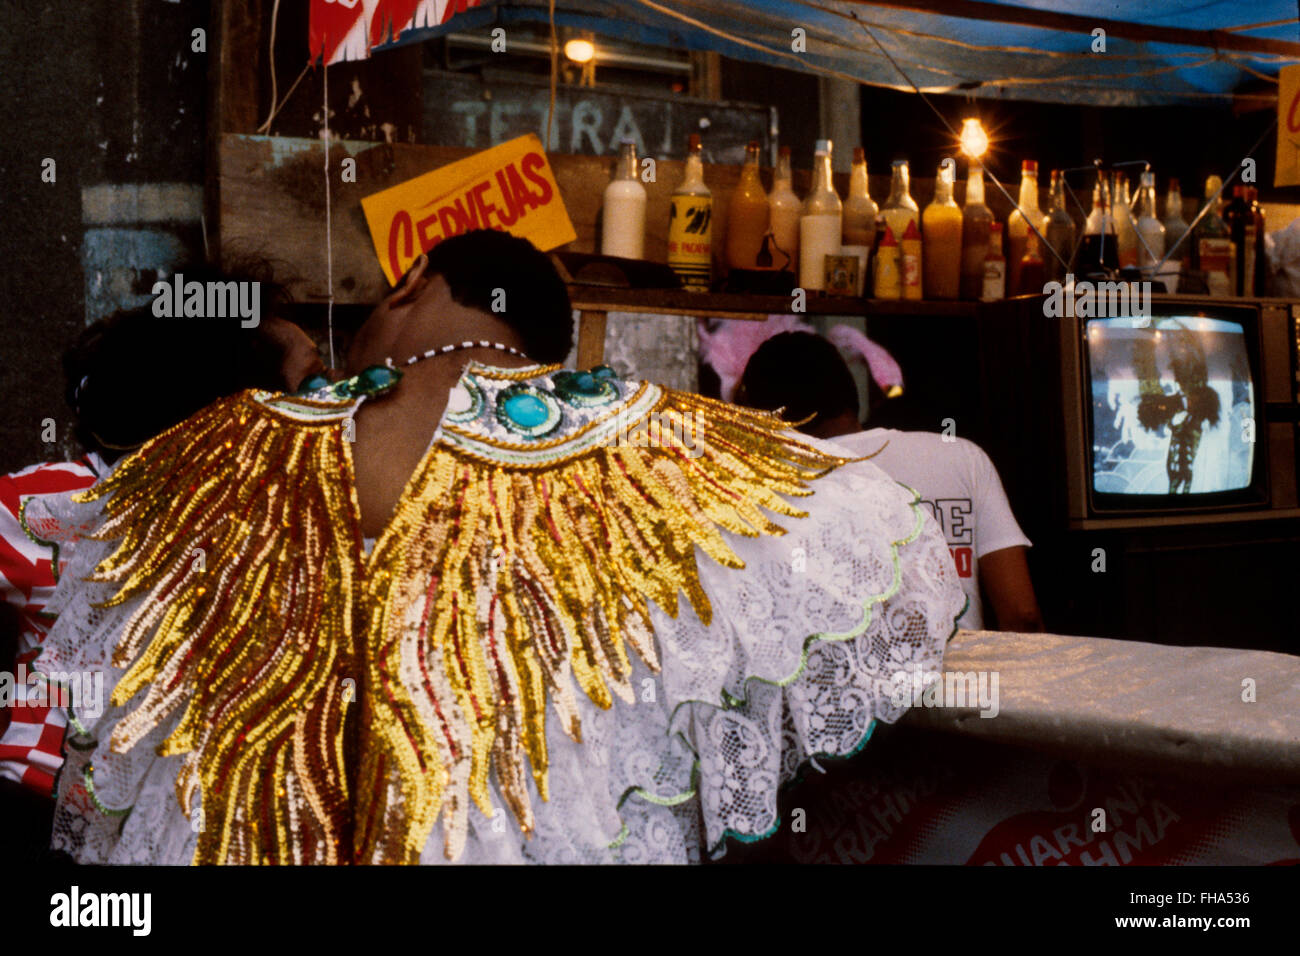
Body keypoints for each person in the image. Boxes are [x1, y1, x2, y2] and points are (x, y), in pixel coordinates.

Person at [37, 230, 963, 865]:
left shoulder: (222, 447)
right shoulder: (659, 445)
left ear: (410, 284)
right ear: (545, 350)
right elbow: (876, 539)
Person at [0, 270, 323, 861]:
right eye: (311, 388)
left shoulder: (300, 523)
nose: (335, 407)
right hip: (42, 821)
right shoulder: (44, 507)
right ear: (229, 409)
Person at [737, 331, 1042, 633]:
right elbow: (1021, 615)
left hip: (850, 681)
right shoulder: (963, 457)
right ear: (850, 393)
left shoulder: (776, 488)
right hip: (964, 678)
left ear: (770, 419)